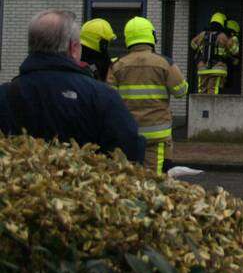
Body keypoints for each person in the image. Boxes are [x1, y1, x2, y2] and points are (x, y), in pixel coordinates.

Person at [0, 9, 144, 163]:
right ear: (73, 48)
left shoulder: (5, 96)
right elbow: (129, 153)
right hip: (87, 184)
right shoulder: (102, 97)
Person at [108, 16, 188, 174]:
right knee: (155, 179)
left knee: (129, 178)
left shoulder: (117, 65)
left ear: (128, 38)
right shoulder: (165, 63)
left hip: (129, 132)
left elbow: (109, 99)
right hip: (158, 133)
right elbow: (181, 91)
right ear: (151, 36)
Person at [190, 12, 238, 94]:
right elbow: (234, 51)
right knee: (213, 91)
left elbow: (193, 45)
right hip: (218, 69)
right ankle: (211, 107)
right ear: (222, 23)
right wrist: (234, 39)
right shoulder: (223, 36)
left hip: (202, 68)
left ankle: (201, 107)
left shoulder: (203, 34)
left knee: (201, 91)